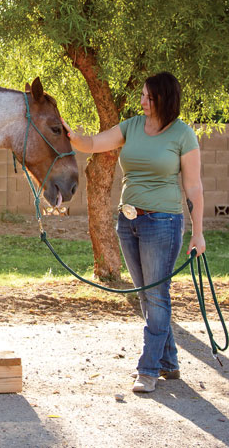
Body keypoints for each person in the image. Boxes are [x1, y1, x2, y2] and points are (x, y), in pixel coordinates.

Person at [63, 72, 204, 394]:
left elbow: (194, 186)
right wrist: (71, 135)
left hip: (163, 223)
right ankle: (169, 361)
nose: (142, 101)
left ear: (165, 100)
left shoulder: (183, 135)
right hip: (128, 222)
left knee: (156, 295)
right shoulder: (131, 127)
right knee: (146, 294)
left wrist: (198, 234)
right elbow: (94, 144)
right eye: (142, 95)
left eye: (149, 97)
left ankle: (149, 369)